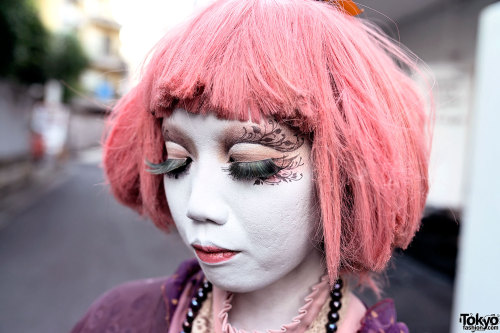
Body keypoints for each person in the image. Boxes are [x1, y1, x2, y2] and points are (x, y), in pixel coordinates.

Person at [71, 0, 432, 332]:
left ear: (346, 174)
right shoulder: (118, 319)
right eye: (177, 163)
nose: (198, 206)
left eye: (251, 165)